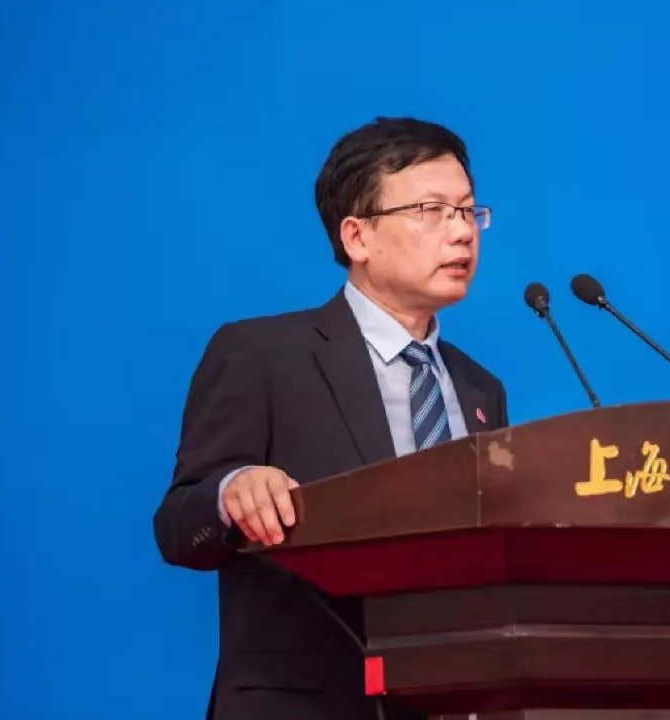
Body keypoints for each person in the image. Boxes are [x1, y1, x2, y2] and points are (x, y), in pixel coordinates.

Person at [153, 117, 508, 720]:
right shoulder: (261, 355)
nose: (461, 232)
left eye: (468, 212)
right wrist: (232, 491)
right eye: (431, 210)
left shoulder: (480, 389)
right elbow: (177, 524)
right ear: (357, 236)